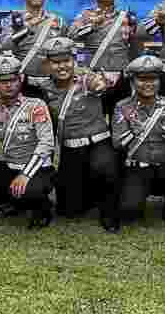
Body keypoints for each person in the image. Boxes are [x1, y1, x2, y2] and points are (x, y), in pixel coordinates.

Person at [35, 37, 120, 232]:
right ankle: (89, 195)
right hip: (70, 148)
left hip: (97, 142)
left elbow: (98, 84)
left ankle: (109, 212)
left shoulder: (86, 79)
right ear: (47, 65)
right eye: (55, 62)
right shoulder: (45, 89)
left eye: (66, 60)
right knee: (68, 209)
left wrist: (101, 84)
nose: (62, 66)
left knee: (104, 168)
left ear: (74, 60)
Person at [0, 55, 56, 229]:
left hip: (38, 169)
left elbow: (46, 143)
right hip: (11, 167)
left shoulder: (35, 105)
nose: (9, 85)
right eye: (3, 81)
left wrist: (25, 175)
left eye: (13, 80)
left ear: (20, 80)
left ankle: (43, 208)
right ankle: (11, 202)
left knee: (29, 191)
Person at [111, 55, 165, 233]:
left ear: (159, 81)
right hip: (137, 168)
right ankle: (136, 198)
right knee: (129, 210)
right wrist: (133, 132)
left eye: (153, 79)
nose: (148, 84)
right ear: (133, 81)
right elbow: (117, 143)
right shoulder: (122, 107)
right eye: (142, 79)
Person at [67, 0, 140, 124]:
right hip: (93, 78)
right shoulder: (84, 16)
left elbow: (135, 50)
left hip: (121, 81)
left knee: (122, 123)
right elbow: (71, 39)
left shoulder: (128, 17)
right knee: (92, 124)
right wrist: (91, 26)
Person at [4, 0, 65, 98]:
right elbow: (4, 49)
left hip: (51, 85)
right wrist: (23, 30)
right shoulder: (13, 20)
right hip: (21, 85)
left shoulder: (58, 21)